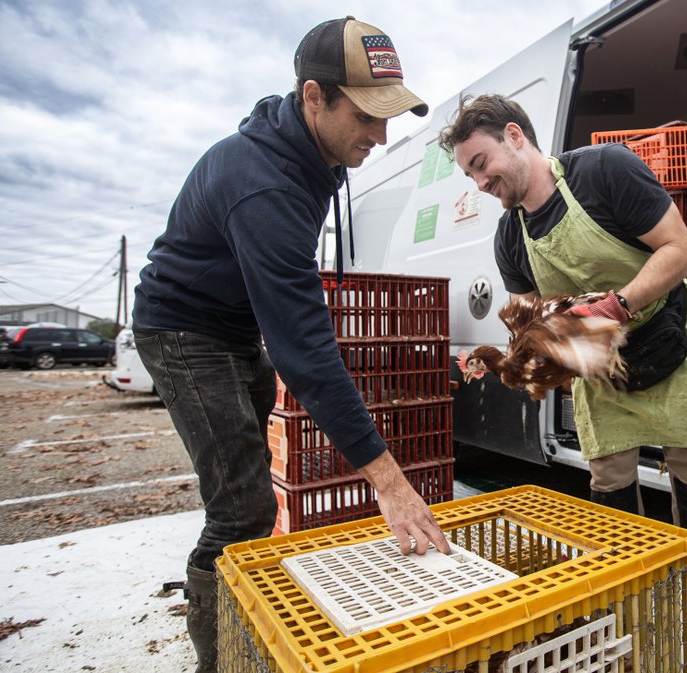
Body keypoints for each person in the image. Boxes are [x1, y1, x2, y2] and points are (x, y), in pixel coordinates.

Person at [132, 17, 449, 672]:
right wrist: (388, 480)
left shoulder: (308, 153)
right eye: (366, 115)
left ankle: (238, 623)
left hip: (235, 326)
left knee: (250, 498)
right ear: (314, 98)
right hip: (183, 330)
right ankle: (219, 660)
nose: (380, 135)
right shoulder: (266, 182)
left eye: (388, 117)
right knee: (241, 507)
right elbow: (304, 350)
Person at [438, 95, 687, 661]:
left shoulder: (603, 172)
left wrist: (616, 305)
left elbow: (682, 250)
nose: (479, 182)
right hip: (600, 364)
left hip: (671, 340)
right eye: (470, 173)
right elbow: (536, 318)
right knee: (610, 486)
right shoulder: (510, 238)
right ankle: (631, 601)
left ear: (515, 136)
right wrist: (511, 356)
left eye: (480, 163)